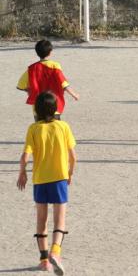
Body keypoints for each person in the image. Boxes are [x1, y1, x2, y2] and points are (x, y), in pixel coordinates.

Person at [17, 91, 77, 275]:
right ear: (55, 108)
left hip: (40, 179)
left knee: (41, 220)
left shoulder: (33, 128)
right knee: (60, 219)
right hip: (59, 178)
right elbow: (73, 156)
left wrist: (22, 173)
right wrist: (70, 173)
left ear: (36, 110)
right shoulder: (63, 126)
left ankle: (44, 260)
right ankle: (55, 252)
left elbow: (25, 156)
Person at [16, 40, 79, 120]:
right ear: (50, 52)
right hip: (53, 105)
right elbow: (63, 83)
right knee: (55, 126)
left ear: (37, 53)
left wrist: (29, 90)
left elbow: (20, 86)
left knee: (39, 127)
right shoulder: (55, 66)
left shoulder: (31, 68)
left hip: (38, 107)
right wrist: (74, 94)